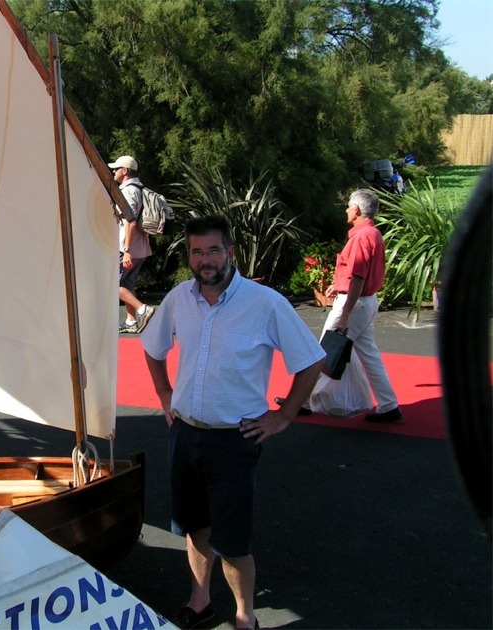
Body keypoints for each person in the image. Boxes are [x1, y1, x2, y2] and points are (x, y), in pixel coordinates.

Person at [141, 215, 325, 630]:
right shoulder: (178, 299)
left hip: (233, 440)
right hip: (185, 433)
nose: (205, 260)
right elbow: (153, 348)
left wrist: (283, 415)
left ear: (230, 252)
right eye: (197, 251)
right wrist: (165, 395)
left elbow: (312, 360)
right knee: (195, 527)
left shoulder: (264, 303)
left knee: (233, 540)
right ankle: (200, 601)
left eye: (213, 250)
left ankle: (245, 617)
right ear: (189, 255)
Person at [293, 189, 402, 423]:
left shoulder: (361, 237)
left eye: (349, 206)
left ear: (357, 210)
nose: (346, 209)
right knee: (368, 354)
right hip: (366, 302)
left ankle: (302, 402)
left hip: (355, 303)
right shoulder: (372, 234)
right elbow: (359, 276)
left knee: (323, 350)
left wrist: (344, 314)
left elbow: (358, 277)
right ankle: (388, 404)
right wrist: (339, 284)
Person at [109, 155, 155, 333]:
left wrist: (126, 250)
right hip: (141, 247)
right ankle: (131, 321)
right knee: (127, 284)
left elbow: (131, 221)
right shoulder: (140, 188)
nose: (114, 171)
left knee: (113, 284)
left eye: (117, 168)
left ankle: (143, 309)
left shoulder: (128, 191)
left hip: (128, 247)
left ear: (125, 171)